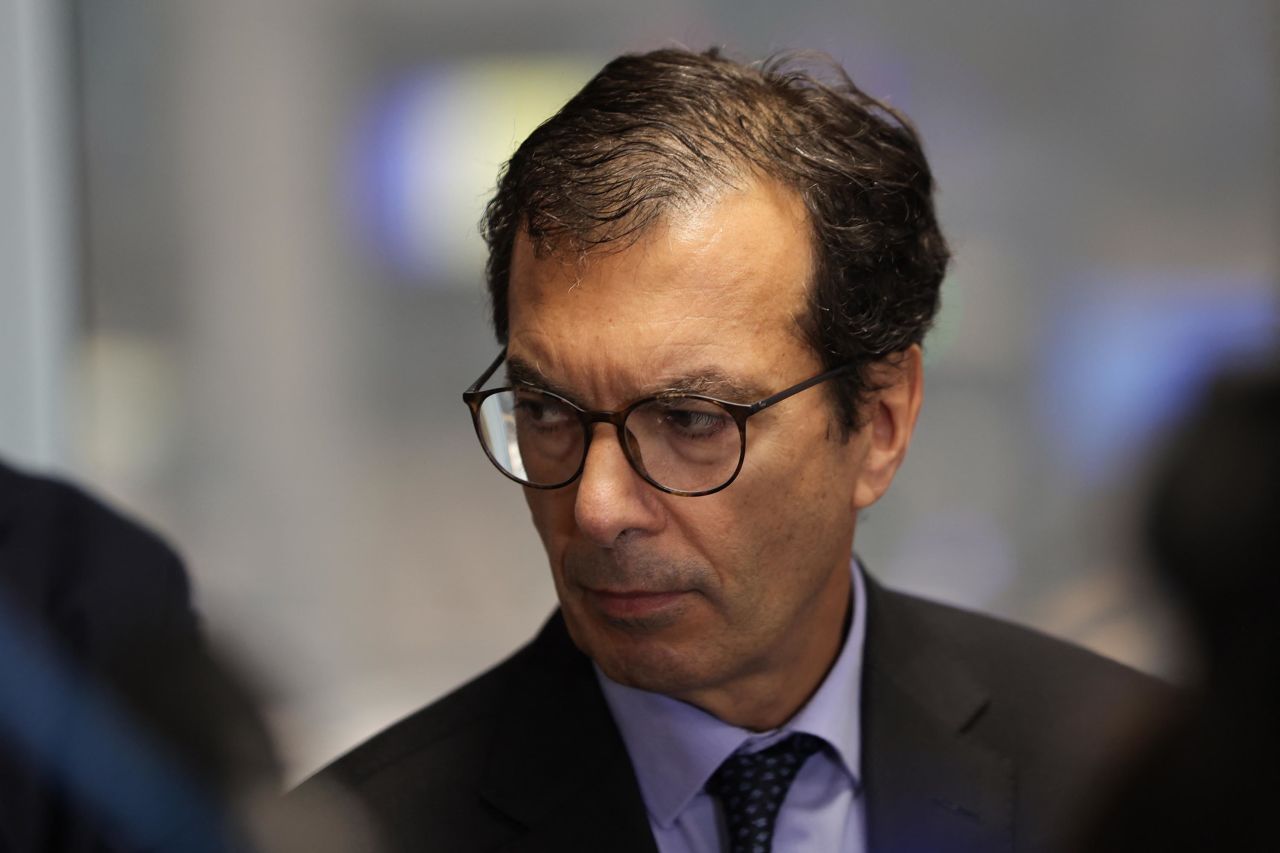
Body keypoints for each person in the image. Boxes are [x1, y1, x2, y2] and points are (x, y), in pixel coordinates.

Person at [298, 47, 1159, 852]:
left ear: (882, 422)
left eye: (692, 420)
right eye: (546, 408)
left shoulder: (1131, 781)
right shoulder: (358, 833)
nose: (597, 509)